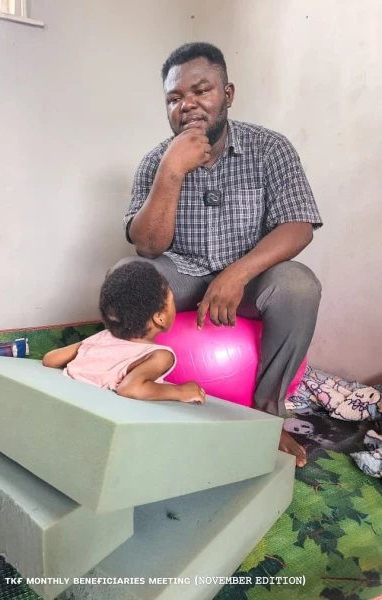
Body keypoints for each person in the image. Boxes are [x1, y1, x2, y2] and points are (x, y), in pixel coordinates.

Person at [116, 42, 323, 468]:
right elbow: (148, 246)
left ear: (227, 94)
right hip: (183, 274)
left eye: (201, 91)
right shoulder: (156, 161)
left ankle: (267, 416)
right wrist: (172, 170)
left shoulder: (270, 148)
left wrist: (237, 274)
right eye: (174, 98)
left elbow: (299, 225)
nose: (187, 105)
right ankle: (139, 399)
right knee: (127, 275)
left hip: (253, 281)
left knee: (299, 285)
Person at [43, 262, 205, 404]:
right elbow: (130, 388)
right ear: (160, 318)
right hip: (100, 410)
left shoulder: (104, 337)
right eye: (172, 300)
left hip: (67, 399)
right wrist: (180, 391)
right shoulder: (160, 355)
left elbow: (50, 359)